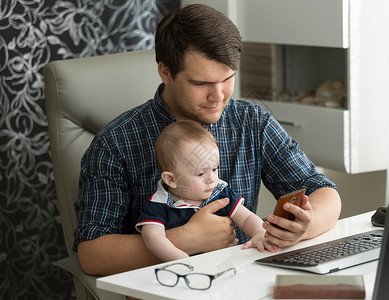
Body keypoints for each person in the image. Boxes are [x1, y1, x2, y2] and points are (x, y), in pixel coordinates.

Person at [75, 4, 341, 276]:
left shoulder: (252, 122)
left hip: (244, 282)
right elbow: (92, 254)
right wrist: (186, 238)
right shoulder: (115, 142)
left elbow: (322, 191)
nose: (218, 96)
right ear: (165, 72)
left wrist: (307, 224)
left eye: (227, 79)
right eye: (202, 84)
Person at [136, 120, 280, 261]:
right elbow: (153, 239)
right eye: (200, 174)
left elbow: (247, 218)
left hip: (224, 267)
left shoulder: (220, 192)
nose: (212, 178)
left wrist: (259, 233)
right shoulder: (158, 204)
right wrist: (184, 261)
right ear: (171, 180)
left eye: (214, 169)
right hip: (182, 273)